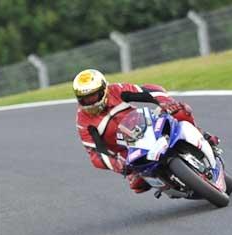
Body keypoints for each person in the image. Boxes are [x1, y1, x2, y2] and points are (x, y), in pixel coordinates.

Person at [73, 69, 219, 193]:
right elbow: (94, 154)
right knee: (138, 185)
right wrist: (117, 165)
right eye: (85, 98)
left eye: (93, 95)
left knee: (180, 111)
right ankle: (172, 184)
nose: (90, 101)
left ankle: (203, 136)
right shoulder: (83, 121)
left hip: (147, 126)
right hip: (127, 151)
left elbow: (149, 91)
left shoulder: (116, 90)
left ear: (104, 89)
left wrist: (165, 102)